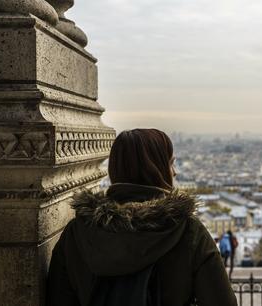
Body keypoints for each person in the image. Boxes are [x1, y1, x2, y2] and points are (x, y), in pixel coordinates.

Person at [47, 129, 237, 306]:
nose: (175, 172)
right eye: (171, 163)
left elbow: (58, 297)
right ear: (157, 169)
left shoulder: (78, 232)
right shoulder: (187, 230)